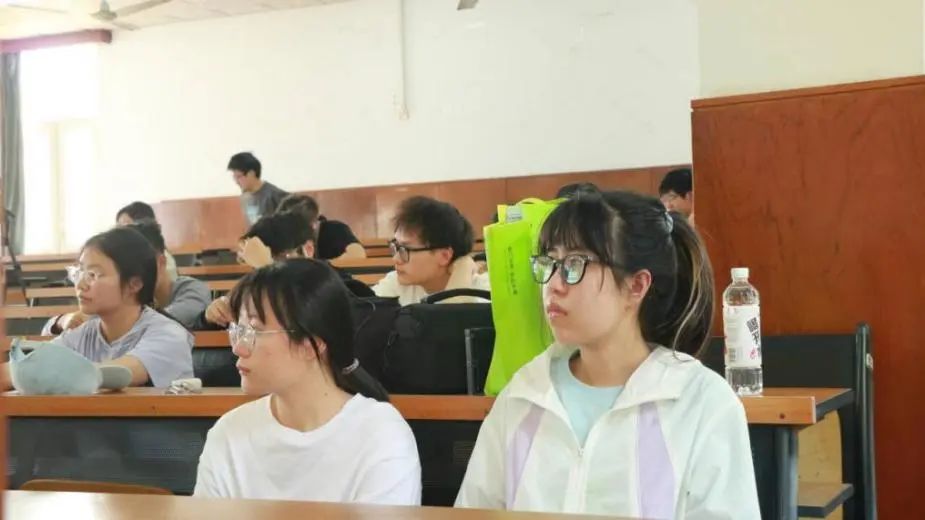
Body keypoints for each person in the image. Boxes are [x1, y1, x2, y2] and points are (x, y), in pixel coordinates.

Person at [455, 190, 759, 518]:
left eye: (574, 264)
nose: (553, 285)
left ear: (636, 286)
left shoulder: (700, 401)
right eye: (549, 262)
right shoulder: (523, 394)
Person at [193, 259, 421, 504]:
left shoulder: (381, 436)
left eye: (255, 331)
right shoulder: (229, 433)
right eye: (238, 330)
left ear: (312, 344)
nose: (238, 348)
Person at [0, 227, 194, 390]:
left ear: (134, 284)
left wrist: (31, 371)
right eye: (79, 272)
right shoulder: (82, 335)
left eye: (92, 275)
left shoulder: (169, 334)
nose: (80, 285)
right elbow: (22, 369)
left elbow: (117, 373)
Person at [195, 212, 373, 330]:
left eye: (278, 259)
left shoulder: (339, 283)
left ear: (308, 249)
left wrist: (268, 268)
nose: (263, 271)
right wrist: (211, 315)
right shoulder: (257, 287)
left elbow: (317, 317)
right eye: (256, 262)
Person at [43, 220, 210, 333]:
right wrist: (62, 321)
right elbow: (48, 336)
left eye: (93, 274)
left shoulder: (191, 289)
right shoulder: (116, 301)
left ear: (160, 262)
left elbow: (173, 320)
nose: (81, 284)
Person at [373, 196, 489, 306]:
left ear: (444, 256)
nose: (396, 259)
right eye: (396, 247)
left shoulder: (485, 292)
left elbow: (453, 319)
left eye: (405, 249)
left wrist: (462, 270)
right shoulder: (396, 284)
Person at [276, 194, 366, 261]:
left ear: (314, 222)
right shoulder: (281, 237)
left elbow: (358, 254)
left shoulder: (334, 229)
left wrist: (320, 268)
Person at [115, 201, 178, 278]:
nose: (120, 233)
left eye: (126, 227)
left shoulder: (159, 258)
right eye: (119, 228)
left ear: (143, 225)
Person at [228, 152, 289, 225]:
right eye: (234, 177)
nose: (236, 182)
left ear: (251, 173)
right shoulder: (245, 198)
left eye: (239, 177)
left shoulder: (276, 196)